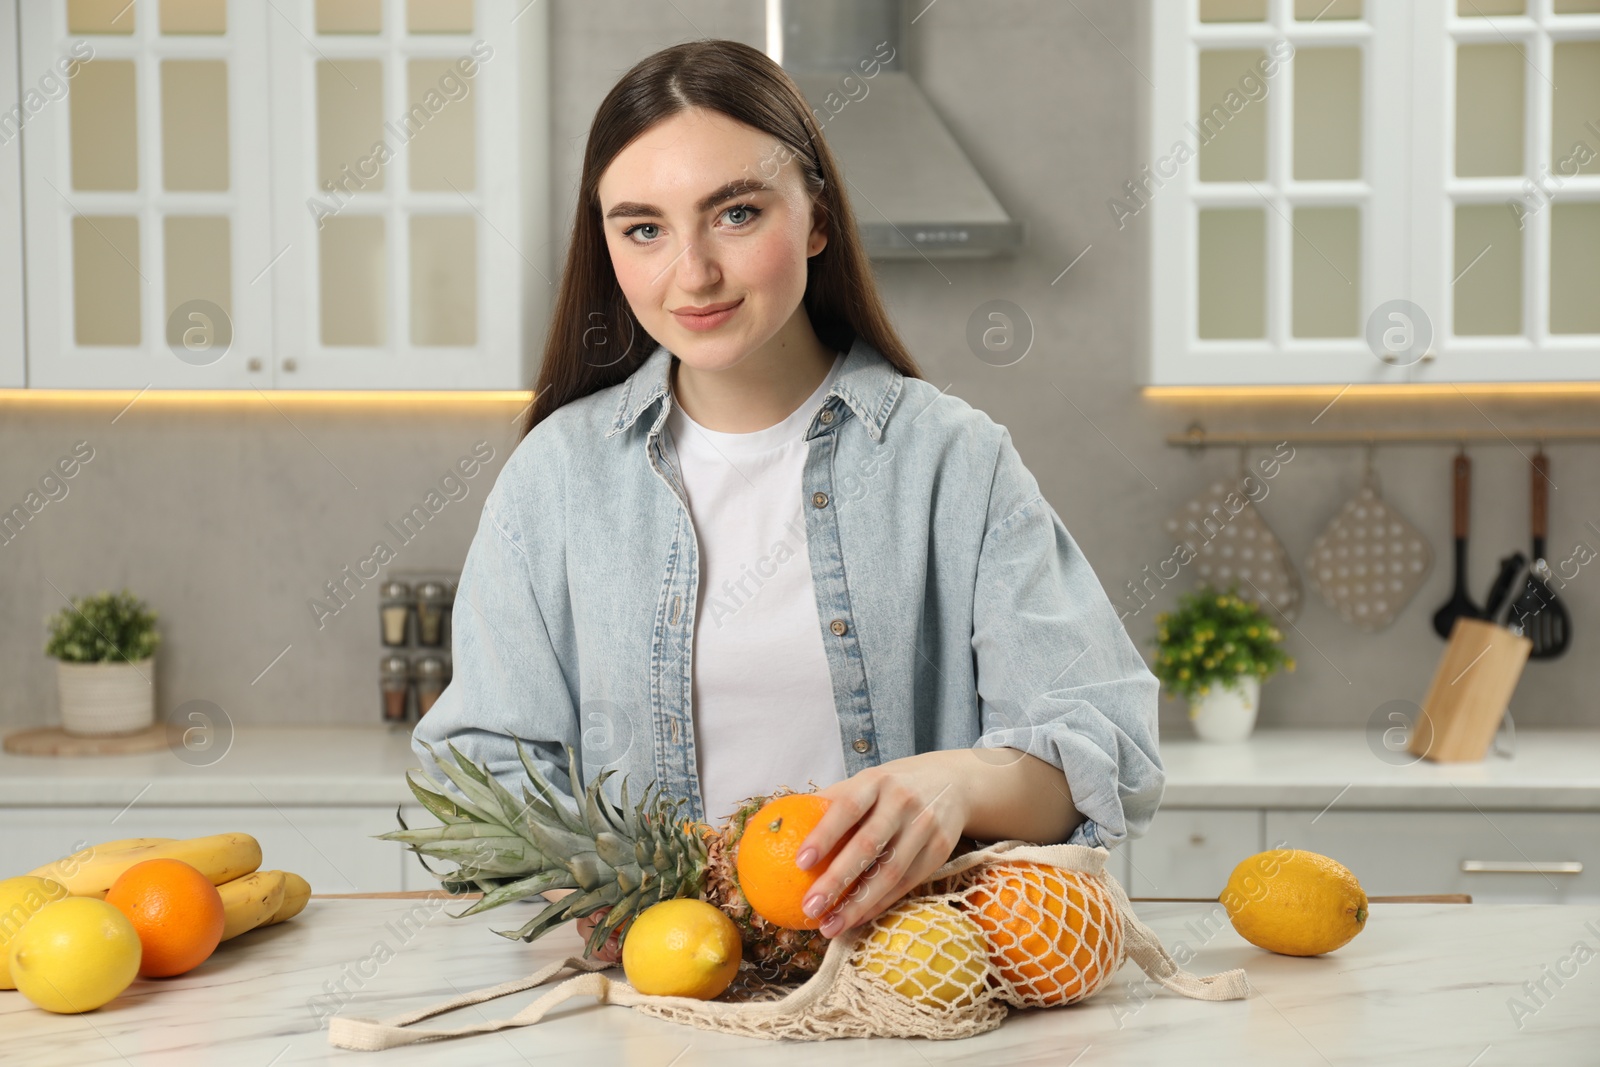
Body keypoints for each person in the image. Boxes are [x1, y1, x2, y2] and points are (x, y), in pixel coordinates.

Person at [412, 39, 1162, 965]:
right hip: (654, 991)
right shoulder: (556, 477)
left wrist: (957, 782)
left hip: (904, 987)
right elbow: (475, 771)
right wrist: (606, 881)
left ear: (816, 219)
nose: (692, 273)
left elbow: (1102, 742)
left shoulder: (952, 460)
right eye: (643, 228)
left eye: (734, 213)